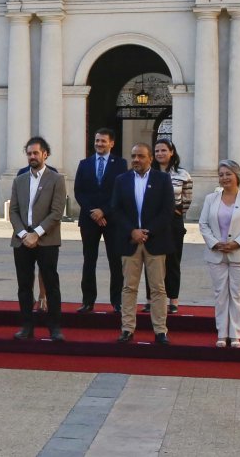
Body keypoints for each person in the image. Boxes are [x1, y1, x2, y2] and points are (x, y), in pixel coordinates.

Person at [110, 142, 176, 345]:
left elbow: (167, 210)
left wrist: (148, 231)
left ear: (150, 158)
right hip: (130, 241)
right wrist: (132, 231)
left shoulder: (162, 179)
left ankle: (160, 331)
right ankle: (127, 329)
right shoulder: (122, 180)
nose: (136, 160)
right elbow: (115, 209)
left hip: (155, 241)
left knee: (158, 288)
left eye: (140, 156)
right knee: (129, 287)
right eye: (133, 156)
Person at [9, 137, 67, 341]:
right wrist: (24, 234)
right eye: (29, 153)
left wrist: (37, 233)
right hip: (22, 241)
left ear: (45, 154)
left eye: (36, 153)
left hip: (47, 240)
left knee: (51, 285)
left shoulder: (57, 179)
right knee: (24, 286)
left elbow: (57, 211)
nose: (32, 156)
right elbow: (13, 211)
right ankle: (26, 326)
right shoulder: (19, 180)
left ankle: (55, 328)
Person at [198, 160, 240, 348]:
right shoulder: (211, 199)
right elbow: (203, 224)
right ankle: (221, 333)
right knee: (220, 294)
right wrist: (215, 243)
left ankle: (235, 335)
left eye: (228, 174)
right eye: (221, 174)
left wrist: (236, 243)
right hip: (216, 254)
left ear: (237, 176)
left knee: (238, 294)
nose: (224, 178)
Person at [73, 128, 127, 313]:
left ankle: (117, 301)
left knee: (115, 261)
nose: (99, 144)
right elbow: (79, 191)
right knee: (89, 260)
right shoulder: (84, 163)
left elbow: (120, 193)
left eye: (103, 141)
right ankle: (88, 301)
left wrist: (104, 211)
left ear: (111, 143)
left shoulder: (120, 164)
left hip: (112, 221)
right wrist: (93, 213)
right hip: (89, 220)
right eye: (97, 141)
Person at [148, 138, 193, 314]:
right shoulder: (148, 173)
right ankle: (151, 299)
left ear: (171, 152)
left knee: (173, 261)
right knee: (152, 262)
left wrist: (177, 213)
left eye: (163, 150)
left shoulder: (183, 174)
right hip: (152, 221)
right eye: (157, 151)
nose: (160, 154)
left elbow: (187, 199)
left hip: (173, 222)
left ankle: (173, 299)